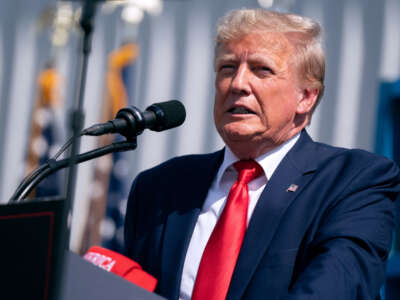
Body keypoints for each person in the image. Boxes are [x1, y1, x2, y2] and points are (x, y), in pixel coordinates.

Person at [124, 9, 400, 300]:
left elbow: (335, 288)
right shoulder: (161, 187)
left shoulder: (354, 180)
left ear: (306, 96)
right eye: (227, 68)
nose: (238, 84)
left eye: (261, 69)